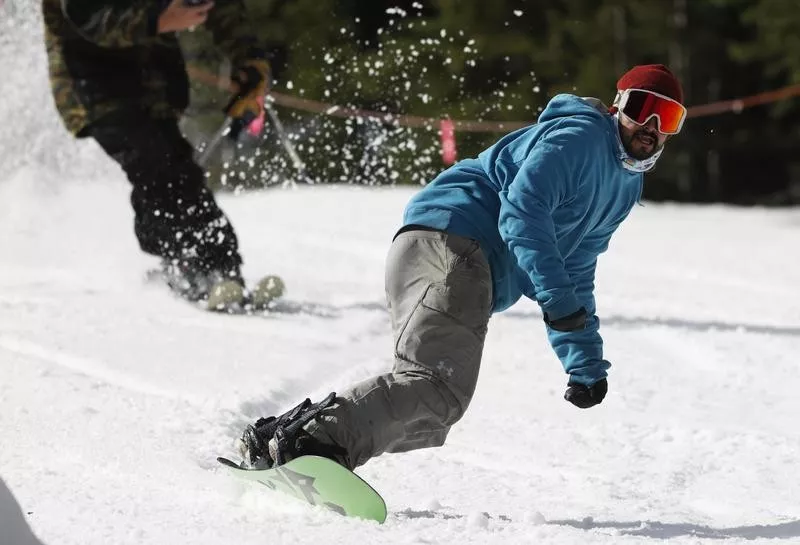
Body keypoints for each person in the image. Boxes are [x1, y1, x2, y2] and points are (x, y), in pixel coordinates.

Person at [237, 64, 687, 471]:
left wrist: (584, 360)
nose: (649, 126)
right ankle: (311, 443)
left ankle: (290, 440)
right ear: (617, 107)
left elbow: (577, 267)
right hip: (458, 246)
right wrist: (558, 302)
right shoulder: (580, 138)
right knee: (437, 389)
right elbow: (523, 214)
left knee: (430, 414)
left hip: (440, 251)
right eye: (642, 108)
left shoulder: (625, 185)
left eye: (665, 119)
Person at [42, 0, 270, 309]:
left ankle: (222, 269)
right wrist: (157, 20)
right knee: (155, 166)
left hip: (156, 84)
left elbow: (218, 5)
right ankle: (188, 267)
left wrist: (249, 59)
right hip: (95, 88)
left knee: (178, 170)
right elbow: (88, 15)